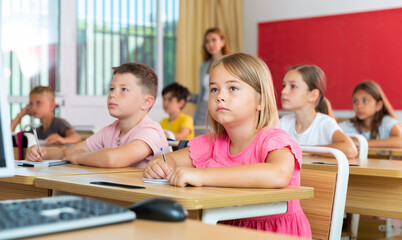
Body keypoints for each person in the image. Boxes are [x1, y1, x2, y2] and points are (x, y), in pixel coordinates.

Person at [144, 53, 312, 238]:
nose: (220, 96)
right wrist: (158, 165)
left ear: (261, 101)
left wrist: (202, 175)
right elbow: (167, 160)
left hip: (275, 233)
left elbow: (277, 175)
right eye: (214, 89)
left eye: (232, 88)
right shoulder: (212, 142)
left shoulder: (274, 139)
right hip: (225, 227)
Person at [25, 63, 169, 168]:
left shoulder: (150, 132)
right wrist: (42, 152)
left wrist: (79, 157)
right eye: (111, 88)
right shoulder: (110, 131)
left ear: (146, 102)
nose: (112, 94)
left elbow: (112, 159)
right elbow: (67, 153)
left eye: (124, 89)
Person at [280, 64, 357, 159]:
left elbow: (350, 150)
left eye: (293, 86)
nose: (283, 91)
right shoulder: (284, 122)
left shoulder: (324, 123)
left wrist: (305, 150)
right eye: (284, 85)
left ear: (313, 95)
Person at [190, 27, 231, 135]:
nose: (210, 44)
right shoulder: (203, 66)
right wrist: (188, 96)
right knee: (198, 142)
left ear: (222, 42)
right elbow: (203, 94)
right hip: (202, 110)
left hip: (220, 106)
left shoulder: (229, 64)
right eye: (207, 41)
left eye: (214, 40)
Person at [339, 80, 402, 148]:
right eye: (355, 101)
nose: (359, 106)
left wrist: (361, 143)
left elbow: (400, 141)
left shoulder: (387, 122)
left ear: (378, 105)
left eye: (365, 100)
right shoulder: (349, 125)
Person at [10, 86, 81, 145]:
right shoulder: (36, 131)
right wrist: (21, 114)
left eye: (38, 103)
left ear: (52, 105)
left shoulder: (59, 123)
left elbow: (76, 137)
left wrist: (62, 139)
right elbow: (8, 136)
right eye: (31, 104)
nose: (33, 107)